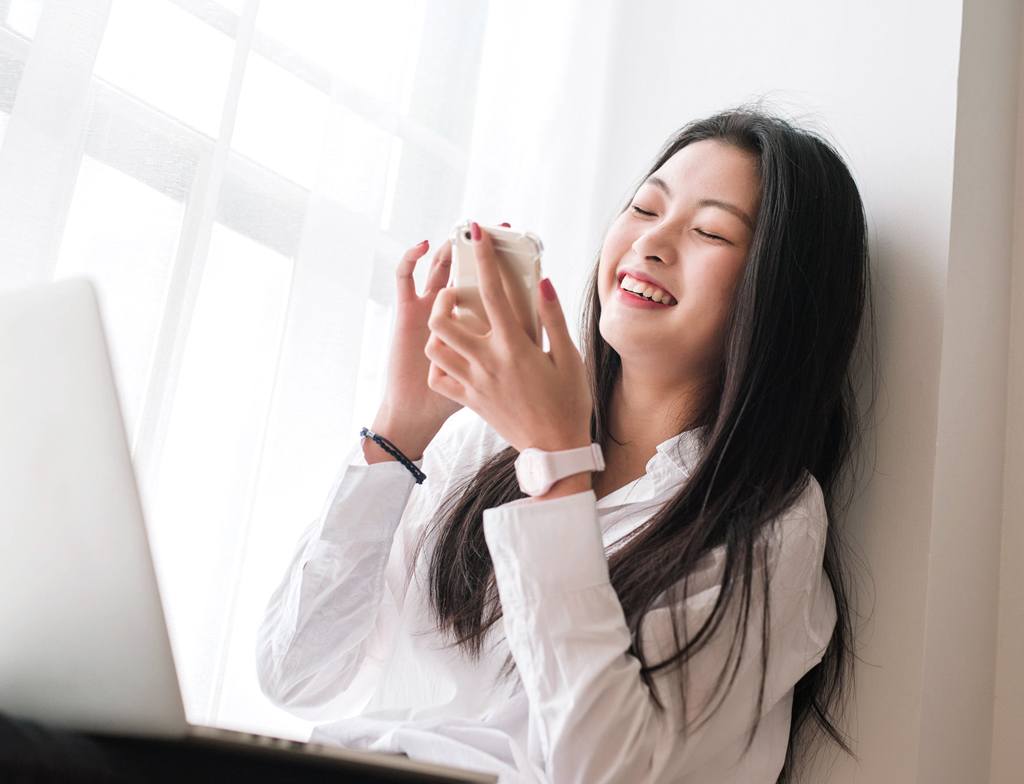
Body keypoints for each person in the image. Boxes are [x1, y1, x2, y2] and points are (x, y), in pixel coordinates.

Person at [255, 105, 875, 784]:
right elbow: (298, 674)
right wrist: (400, 432)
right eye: (643, 209)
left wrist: (555, 465)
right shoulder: (483, 447)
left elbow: (605, 772)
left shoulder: (772, 526)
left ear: (776, 295)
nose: (652, 243)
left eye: (709, 231)